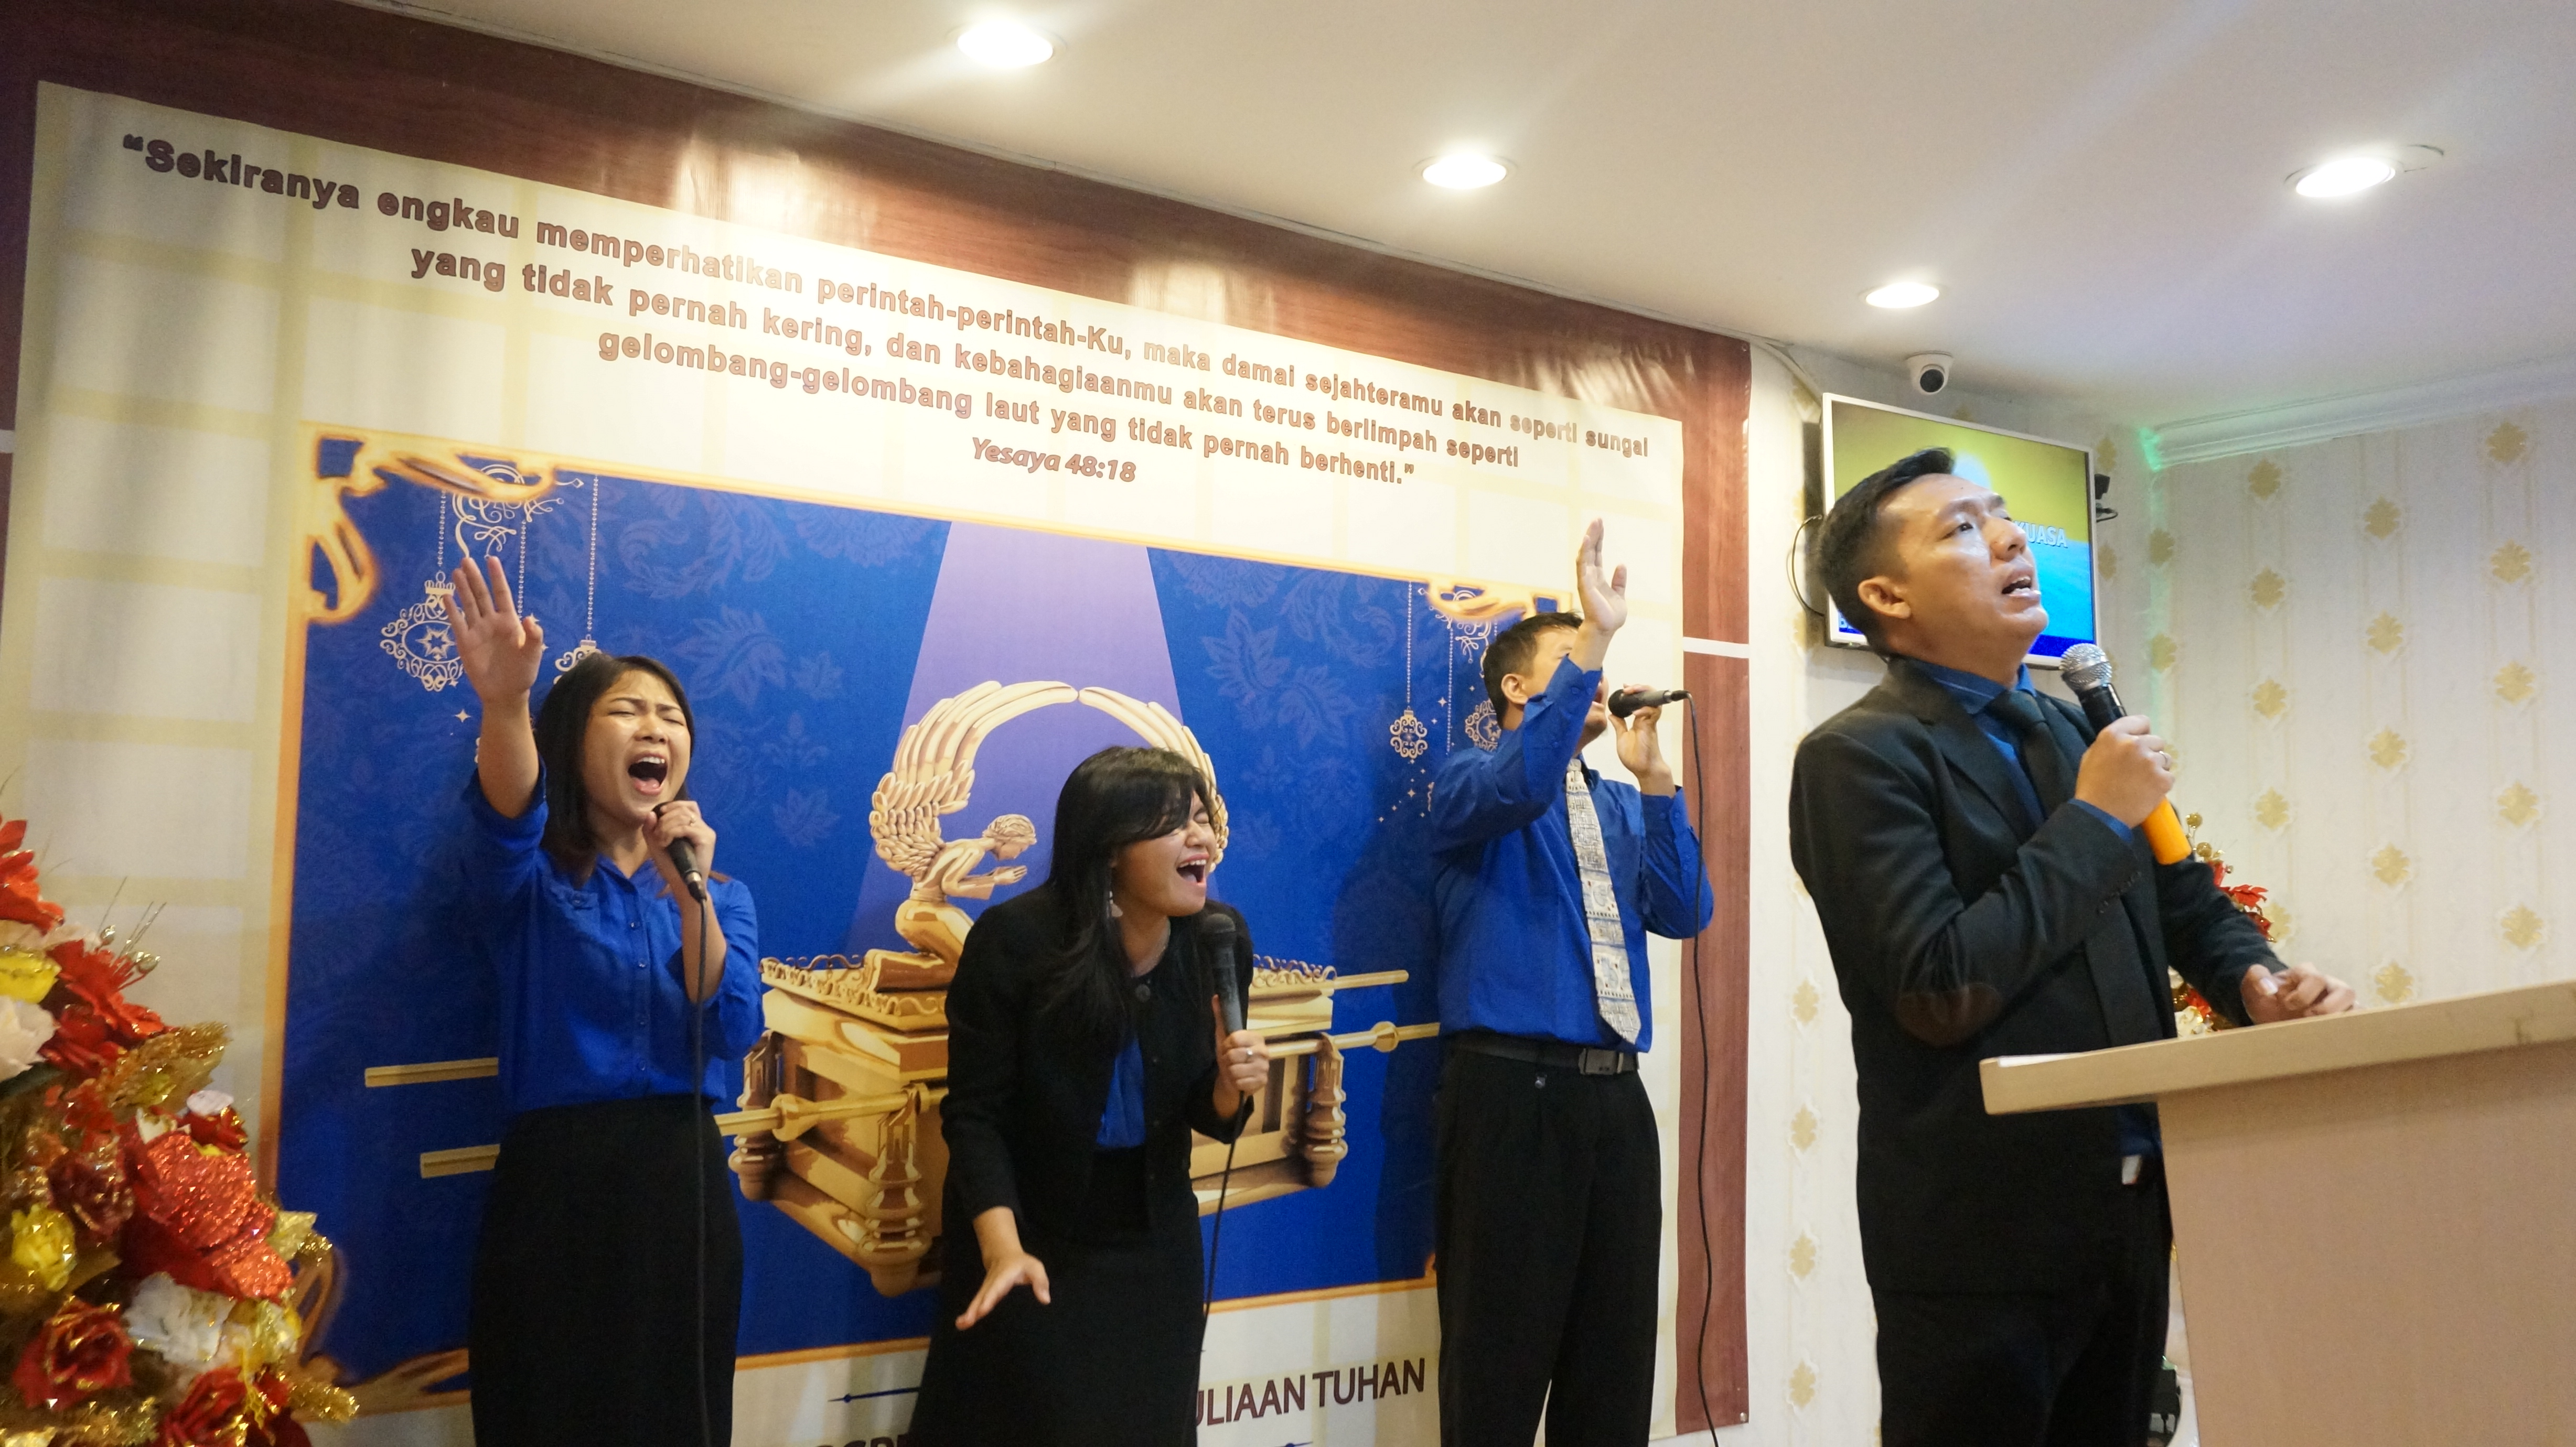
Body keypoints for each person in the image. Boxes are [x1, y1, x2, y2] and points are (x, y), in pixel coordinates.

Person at [1787, 448, 2356, 1447]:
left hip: (2131, 1207)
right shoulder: (1858, 757)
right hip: (1982, 1232)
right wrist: (2095, 817)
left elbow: (2183, 902)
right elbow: (1939, 986)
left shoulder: (2070, 732)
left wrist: (2253, 981)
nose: (2013, 539)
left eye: (2004, 515)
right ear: (1886, 596)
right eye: (1964, 529)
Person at [443, 556, 764, 1447]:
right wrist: (506, 703)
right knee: (550, 1410)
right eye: (626, 710)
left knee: (680, 1415)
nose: (654, 726)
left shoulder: (720, 893)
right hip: (559, 1184)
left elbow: (731, 1026)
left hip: (682, 1182)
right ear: (573, 742)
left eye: (671, 716)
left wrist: (688, 893)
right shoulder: (531, 881)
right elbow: (508, 813)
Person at [1427, 519, 1715, 1447]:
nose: (1595, 681)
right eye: (1574, 665)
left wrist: (1657, 782)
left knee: (1614, 1362)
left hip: (1615, 1102)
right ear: (1519, 688)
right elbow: (1523, 784)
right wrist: (1598, 632)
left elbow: (1685, 911)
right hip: (1513, 1095)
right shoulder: (1468, 783)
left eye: (1597, 665)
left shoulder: (1621, 804)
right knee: (1499, 1366)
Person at [908, 746, 1272, 1447]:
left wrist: (1231, 1088)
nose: (1200, 838)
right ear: (1110, 849)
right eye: (1174, 823)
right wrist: (1003, 1250)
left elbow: (1208, 1112)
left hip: (1153, 1239)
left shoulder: (1217, 941)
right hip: (1030, 1232)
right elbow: (975, 1116)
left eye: (1202, 819)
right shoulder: (1017, 941)